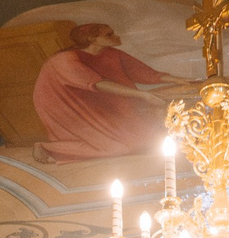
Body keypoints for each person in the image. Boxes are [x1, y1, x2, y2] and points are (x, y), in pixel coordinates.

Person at [31, 22, 177, 163]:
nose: (116, 36)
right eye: (109, 34)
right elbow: (99, 84)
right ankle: (47, 148)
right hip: (63, 103)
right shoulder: (64, 59)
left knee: (144, 140)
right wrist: (142, 94)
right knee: (118, 148)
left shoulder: (111, 54)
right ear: (92, 39)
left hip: (94, 100)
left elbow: (143, 73)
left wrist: (181, 80)